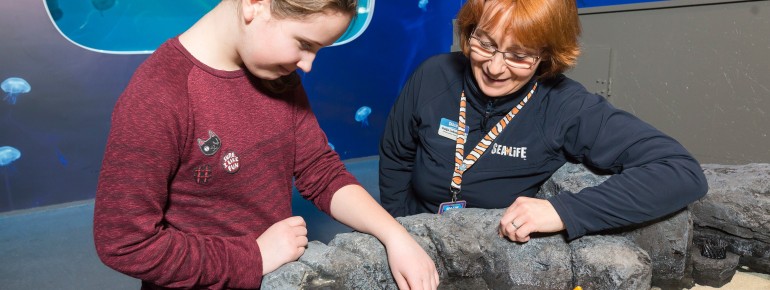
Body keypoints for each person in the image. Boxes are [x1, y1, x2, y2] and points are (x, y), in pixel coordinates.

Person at [93, 0, 439, 289]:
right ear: (254, 5)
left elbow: (319, 169)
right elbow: (124, 243)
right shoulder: (158, 96)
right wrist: (253, 257)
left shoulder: (276, 74)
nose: (307, 64)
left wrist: (396, 236)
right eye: (304, 44)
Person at [379, 0, 708, 243]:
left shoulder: (567, 106)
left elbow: (680, 171)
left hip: (499, 248)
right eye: (485, 43)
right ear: (469, 32)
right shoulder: (433, 75)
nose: (494, 68)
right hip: (418, 232)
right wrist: (399, 230)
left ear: (547, 55)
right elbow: (397, 155)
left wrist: (564, 211)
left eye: (519, 56)